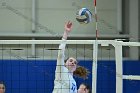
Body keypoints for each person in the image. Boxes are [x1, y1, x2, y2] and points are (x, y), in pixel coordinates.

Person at [52, 21, 89, 93]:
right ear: (65, 63)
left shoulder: (74, 82)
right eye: (71, 61)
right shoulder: (61, 70)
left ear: (75, 68)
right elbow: (60, 53)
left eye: (75, 62)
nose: (73, 63)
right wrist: (66, 32)